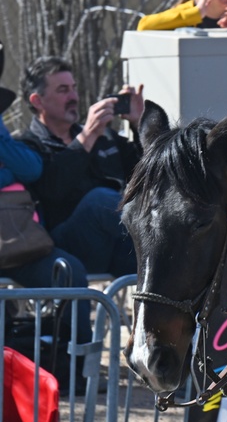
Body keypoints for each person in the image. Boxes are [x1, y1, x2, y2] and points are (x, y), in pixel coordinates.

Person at [0, 47, 92, 355]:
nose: (73, 95)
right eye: (62, 89)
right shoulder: (30, 139)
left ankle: (75, 368)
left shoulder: (7, 139)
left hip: (18, 247)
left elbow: (31, 168)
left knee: (69, 270)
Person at [16, 57, 141, 277]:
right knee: (100, 200)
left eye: (74, 88)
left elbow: (145, 171)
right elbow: (52, 189)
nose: (74, 97)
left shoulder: (104, 136)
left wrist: (139, 123)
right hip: (66, 251)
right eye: (63, 90)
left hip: (117, 245)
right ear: (37, 101)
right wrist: (87, 137)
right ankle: (167, 238)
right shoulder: (27, 148)